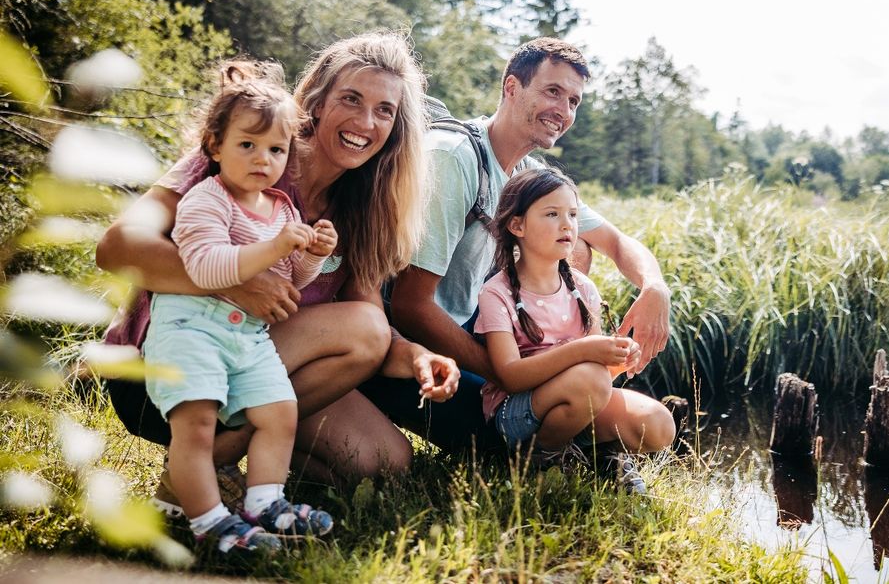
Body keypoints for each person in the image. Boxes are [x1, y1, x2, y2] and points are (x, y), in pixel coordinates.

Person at [96, 34, 459, 534]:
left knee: (383, 461)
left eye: (384, 111)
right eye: (351, 99)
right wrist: (234, 286)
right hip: (166, 365)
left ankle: (244, 471)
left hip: (254, 364)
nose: (364, 123)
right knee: (364, 329)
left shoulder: (362, 208)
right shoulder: (253, 151)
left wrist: (418, 357)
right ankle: (197, 473)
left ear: (396, 130)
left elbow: (373, 333)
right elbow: (116, 247)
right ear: (315, 102)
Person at [377, 38, 673, 473]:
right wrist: (515, 375)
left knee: (649, 424)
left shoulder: (530, 176)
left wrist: (655, 287)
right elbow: (410, 307)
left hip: (492, 342)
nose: (564, 110)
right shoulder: (455, 158)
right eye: (552, 91)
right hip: (416, 350)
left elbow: (613, 241)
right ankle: (550, 444)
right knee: (505, 439)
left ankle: (576, 427)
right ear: (511, 87)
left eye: (573, 100)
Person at [143, 64, 336, 551]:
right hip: (191, 331)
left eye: (275, 149)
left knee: (279, 410)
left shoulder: (282, 209)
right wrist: (275, 249)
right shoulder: (204, 200)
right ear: (214, 146)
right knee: (197, 426)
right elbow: (207, 269)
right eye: (247, 145)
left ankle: (265, 502)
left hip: (247, 336)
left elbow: (288, 281)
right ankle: (209, 522)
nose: (262, 159)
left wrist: (313, 255)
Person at [475, 168, 675, 491]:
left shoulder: (582, 289)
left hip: (578, 401)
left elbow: (598, 379)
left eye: (572, 214)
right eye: (552, 214)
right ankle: (540, 459)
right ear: (517, 225)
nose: (567, 224)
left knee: (660, 425)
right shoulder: (496, 293)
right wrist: (584, 351)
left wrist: (619, 359)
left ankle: (593, 450)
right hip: (516, 416)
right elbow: (509, 375)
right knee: (590, 380)